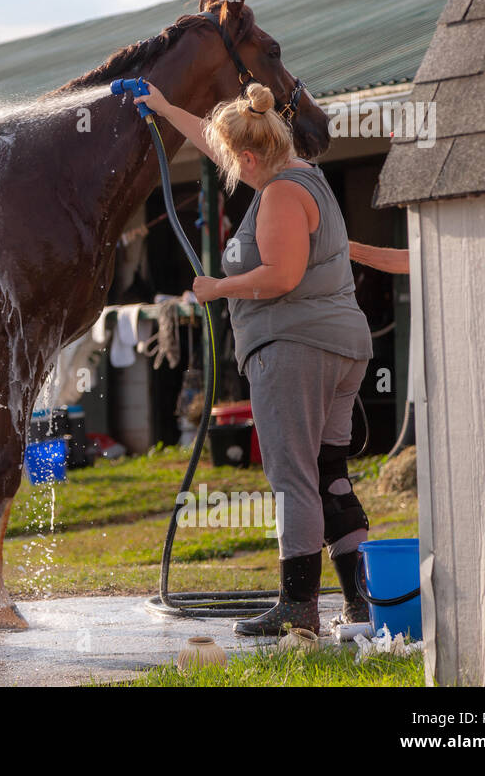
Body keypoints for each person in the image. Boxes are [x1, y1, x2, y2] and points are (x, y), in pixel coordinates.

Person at [136, 80, 374, 635]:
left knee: (292, 476)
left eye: (234, 160)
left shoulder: (281, 195)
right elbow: (224, 145)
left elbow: (281, 277)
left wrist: (218, 288)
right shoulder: (301, 173)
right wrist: (167, 106)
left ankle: (297, 607)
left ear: (251, 155)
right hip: (340, 347)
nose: (230, 168)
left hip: (296, 350)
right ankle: (359, 605)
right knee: (327, 473)